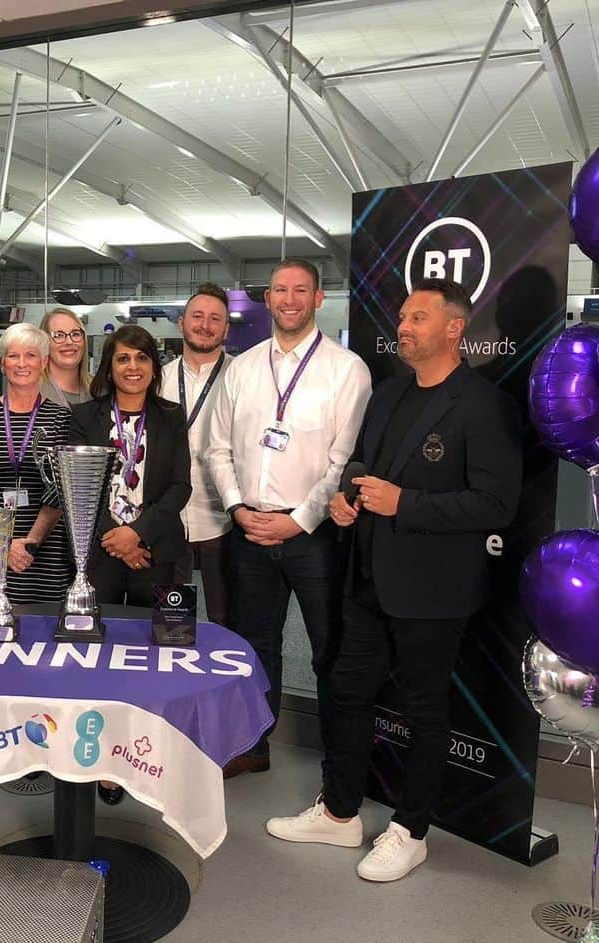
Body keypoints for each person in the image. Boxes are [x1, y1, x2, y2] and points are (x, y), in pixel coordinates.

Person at [267, 278, 522, 882]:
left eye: (417, 318)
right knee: (349, 693)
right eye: (402, 317)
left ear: (453, 329)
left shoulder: (483, 406)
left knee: (425, 712)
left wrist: (404, 503)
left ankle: (410, 831)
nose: (402, 327)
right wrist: (347, 502)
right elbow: (361, 469)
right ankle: (339, 812)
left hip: (433, 591)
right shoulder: (386, 396)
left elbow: (495, 504)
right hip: (368, 580)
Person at [207, 258, 371, 777]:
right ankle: (255, 747)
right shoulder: (242, 367)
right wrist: (237, 507)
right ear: (267, 298)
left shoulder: (347, 370)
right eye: (280, 290)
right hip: (249, 531)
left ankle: (340, 765)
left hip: (315, 537)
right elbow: (216, 450)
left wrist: (298, 520)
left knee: (329, 648)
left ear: (319, 298)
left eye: (301, 290)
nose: (290, 299)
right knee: (255, 647)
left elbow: (342, 462)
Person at [69, 324, 191, 806]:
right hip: (100, 555)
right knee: (96, 657)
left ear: (153, 367)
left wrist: (138, 535)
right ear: (109, 366)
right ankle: (99, 759)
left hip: (156, 555)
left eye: (142, 359)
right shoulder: (85, 417)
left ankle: (146, 754)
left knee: (154, 659)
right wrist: (117, 540)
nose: (133, 367)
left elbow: (180, 486)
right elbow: (79, 482)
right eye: (123, 359)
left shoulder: (171, 417)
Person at [0, 323, 71, 612]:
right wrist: (4, 545)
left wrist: (30, 543)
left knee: (43, 635)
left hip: (44, 545)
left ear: (44, 363)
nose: (22, 364)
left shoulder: (61, 420)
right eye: (13, 356)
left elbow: (61, 487)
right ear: (1, 362)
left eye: (31, 355)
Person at [161, 282, 233, 627]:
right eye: (197, 316)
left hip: (226, 520)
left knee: (228, 619)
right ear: (182, 323)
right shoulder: (157, 378)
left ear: (226, 327)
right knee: (170, 623)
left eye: (215, 318)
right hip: (169, 519)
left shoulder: (243, 375)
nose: (205, 325)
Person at [39, 308, 92, 408]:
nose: (69, 342)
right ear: (44, 342)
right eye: (58, 335)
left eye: (75, 334)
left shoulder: (99, 390)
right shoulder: (32, 391)